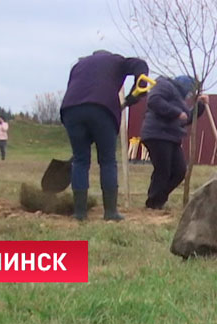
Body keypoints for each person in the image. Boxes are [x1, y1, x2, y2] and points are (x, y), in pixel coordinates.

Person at [60, 50, 150, 221]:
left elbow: (77, 90)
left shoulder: (78, 65)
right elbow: (141, 65)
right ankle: (110, 212)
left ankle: (80, 213)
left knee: (80, 160)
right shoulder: (116, 60)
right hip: (102, 109)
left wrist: (134, 94)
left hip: (71, 110)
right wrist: (138, 90)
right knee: (107, 160)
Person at [140, 75, 208, 210]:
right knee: (163, 170)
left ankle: (158, 200)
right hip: (157, 133)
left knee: (179, 171)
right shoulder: (164, 85)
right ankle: (153, 203)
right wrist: (176, 112)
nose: (190, 94)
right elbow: (154, 101)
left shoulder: (179, 99)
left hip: (172, 136)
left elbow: (186, 118)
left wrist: (200, 106)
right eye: (191, 90)